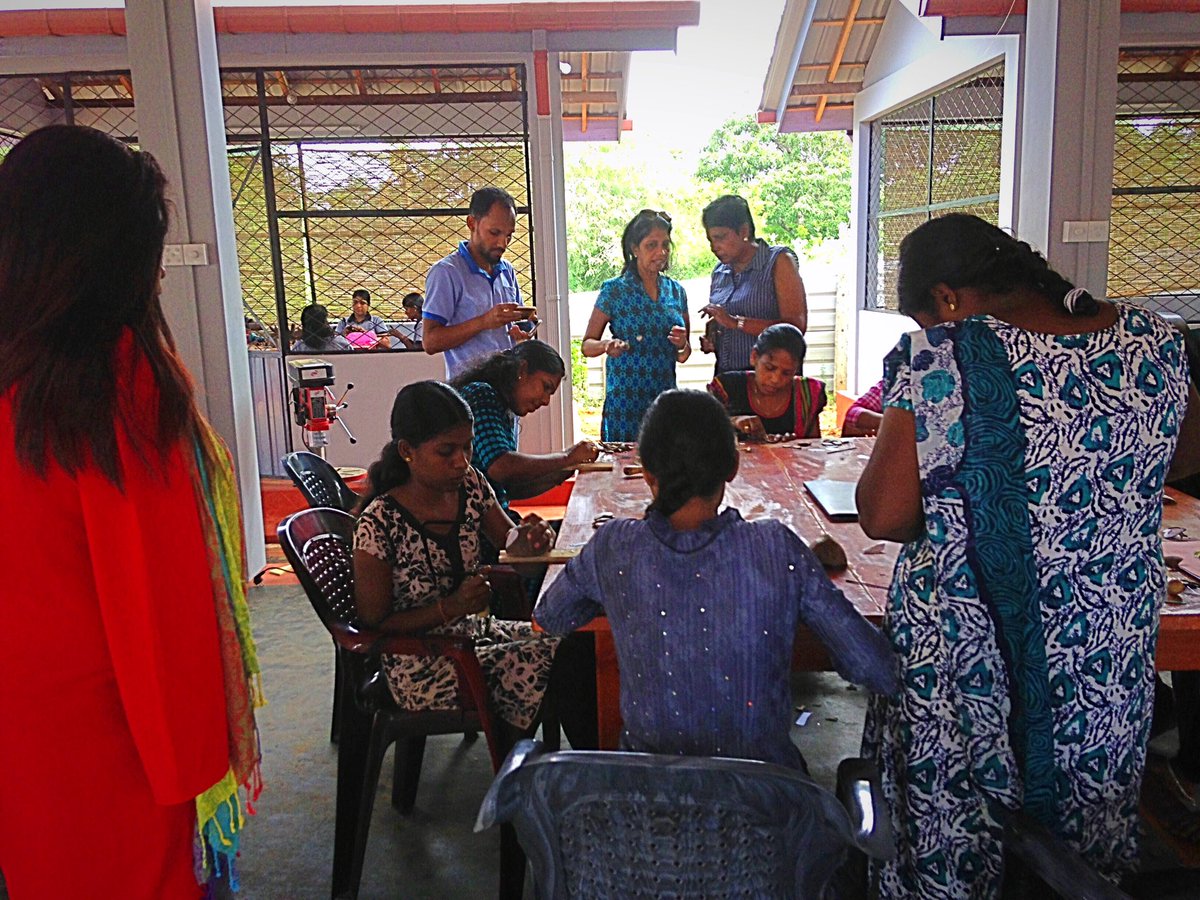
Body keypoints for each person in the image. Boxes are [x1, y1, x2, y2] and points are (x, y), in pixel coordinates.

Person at [855, 213, 1200, 898]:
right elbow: (1184, 453)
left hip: (968, 658)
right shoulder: (1156, 341)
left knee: (961, 844)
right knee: (1080, 847)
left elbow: (885, 513)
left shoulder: (943, 356)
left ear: (947, 298)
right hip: (1101, 652)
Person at [0, 125, 263, 897]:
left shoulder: (22, 371)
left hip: (24, 734)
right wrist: (197, 770)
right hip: (111, 745)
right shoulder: (113, 388)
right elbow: (157, 608)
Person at [534, 389, 898, 770]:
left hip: (647, 798)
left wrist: (619, 589)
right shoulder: (777, 549)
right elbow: (874, 666)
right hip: (765, 798)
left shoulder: (614, 546)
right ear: (733, 467)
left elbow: (549, 617)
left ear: (647, 473)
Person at [352, 381, 562, 742]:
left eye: (467, 447)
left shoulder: (471, 486)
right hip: (422, 665)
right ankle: (519, 760)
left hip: (471, 637)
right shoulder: (379, 524)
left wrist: (533, 543)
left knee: (572, 646)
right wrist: (451, 607)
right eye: (446, 451)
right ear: (407, 451)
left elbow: (512, 548)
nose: (462, 462)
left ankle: (564, 760)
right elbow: (375, 623)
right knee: (553, 660)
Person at [451, 340, 599, 515]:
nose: (545, 401)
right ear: (522, 370)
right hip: (474, 522)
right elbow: (501, 467)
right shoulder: (481, 394)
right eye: (545, 387)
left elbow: (511, 488)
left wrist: (565, 470)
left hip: (492, 518)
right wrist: (567, 457)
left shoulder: (502, 405)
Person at [580, 209, 691, 442]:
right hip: (625, 402)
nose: (661, 252)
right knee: (624, 461)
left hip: (664, 401)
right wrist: (607, 345)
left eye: (665, 245)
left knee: (665, 459)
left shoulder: (676, 292)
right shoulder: (614, 290)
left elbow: (683, 355)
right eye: (651, 245)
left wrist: (682, 344)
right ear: (634, 249)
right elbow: (587, 345)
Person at [423, 187, 536, 379]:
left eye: (509, 235)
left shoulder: (506, 270)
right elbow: (430, 342)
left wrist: (522, 332)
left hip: (507, 385)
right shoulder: (447, 272)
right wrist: (483, 322)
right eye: (494, 232)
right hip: (469, 389)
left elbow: (515, 325)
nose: (502, 243)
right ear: (472, 223)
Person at [700, 194, 808, 376]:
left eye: (721, 237)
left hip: (772, 380)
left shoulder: (778, 261)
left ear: (744, 231)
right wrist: (715, 334)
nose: (714, 247)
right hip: (728, 377)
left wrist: (736, 322)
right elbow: (726, 320)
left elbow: (795, 327)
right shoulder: (720, 271)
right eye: (710, 240)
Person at [707, 323, 825, 438]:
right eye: (769, 368)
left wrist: (790, 445)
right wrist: (733, 421)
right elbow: (705, 431)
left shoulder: (806, 395)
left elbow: (813, 446)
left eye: (787, 373)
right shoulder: (727, 388)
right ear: (754, 357)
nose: (776, 379)